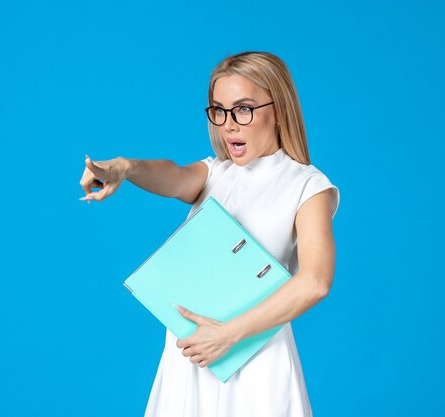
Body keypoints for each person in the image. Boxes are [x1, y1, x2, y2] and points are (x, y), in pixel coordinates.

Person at [78, 51, 340, 417]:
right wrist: (125, 168)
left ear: (278, 109)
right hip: (192, 356)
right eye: (218, 110)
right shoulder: (215, 173)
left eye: (243, 109)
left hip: (254, 359)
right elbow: (172, 177)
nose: (228, 125)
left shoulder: (307, 186)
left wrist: (228, 334)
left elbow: (315, 281)